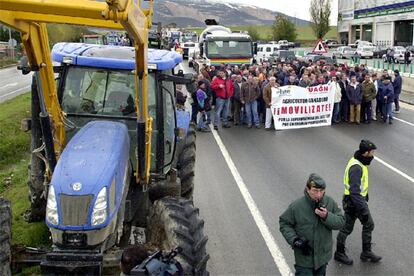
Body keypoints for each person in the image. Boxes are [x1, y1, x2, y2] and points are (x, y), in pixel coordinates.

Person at [279, 173, 345, 276]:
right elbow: (284, 223)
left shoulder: (330, 203)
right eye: (315, 191)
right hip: (304, 258)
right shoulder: (296, 206)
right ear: (307, 189)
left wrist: (326, 216)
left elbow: (341, 222)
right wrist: (294, 240)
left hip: (322, 257)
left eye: (321, 191)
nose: (318, 195)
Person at [334, 140, 382, 265]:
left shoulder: (358, 160)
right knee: (351, 227)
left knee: (358, 226)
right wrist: (363, 209)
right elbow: (355, 191)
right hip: (354, 203)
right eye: (372, 152)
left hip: (355, 201)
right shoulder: (356, 167)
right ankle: (340, 253)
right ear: (366, 153)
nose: (373, 155)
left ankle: (365, 252)